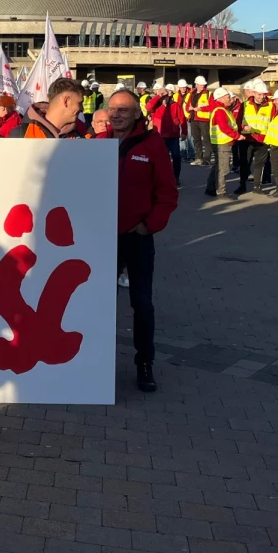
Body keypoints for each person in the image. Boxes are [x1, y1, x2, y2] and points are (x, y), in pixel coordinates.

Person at [96, 89, 178, 392]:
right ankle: (97, 362)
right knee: (101, 303)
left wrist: (150, 226)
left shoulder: (152, 145)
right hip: (105, 240)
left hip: (137, 238)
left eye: (124, 110)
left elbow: (168, 193)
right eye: (113, 109)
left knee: (142, 304)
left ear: (136, 115)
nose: (117, 114)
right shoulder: (99, 144)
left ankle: (145, 363)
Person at [10, 78, 89, 138]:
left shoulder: (79, 138)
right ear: (66, 101)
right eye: (80, 103)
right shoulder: (20, 134)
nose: (82, 109)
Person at [205, 87, 241, 199]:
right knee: (223, 168)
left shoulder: (222, 109)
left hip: (221, 142)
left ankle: (211, 187)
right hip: (222, 143)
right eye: (227, 97)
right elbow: (224, 127)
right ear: (220, 98)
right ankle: (221, 191)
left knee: (218, 166)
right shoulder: (220, 110)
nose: (230, 98)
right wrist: (237, 136)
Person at [147, 81, 184, 184]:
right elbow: (148, 107)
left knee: (176, 156)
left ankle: (176, 178)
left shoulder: (175, 105)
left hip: (173, 136)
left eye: (166, 95)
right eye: (162, 96)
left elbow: (182, 118)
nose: (164, 98)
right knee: (162, 158)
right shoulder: (156, 106)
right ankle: (161, 177)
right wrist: (158, 96)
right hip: (160, 136)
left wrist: (184, 132)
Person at [242, 81, 273, 194]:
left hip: (263, 139)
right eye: (259, 94)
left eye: (264, 94)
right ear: (254, 93)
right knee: (245, 162)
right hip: (248, 139)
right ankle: (242, 185)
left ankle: (256, 187)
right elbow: (239, 120)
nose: (262, 97)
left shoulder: (271, 105)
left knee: (260, 164)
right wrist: (244, 126)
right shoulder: (245, 105)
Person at [187, 76, 213, 167]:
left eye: (204, 85)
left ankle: (207, 160)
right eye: (201, 84)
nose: (203, 86)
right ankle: (198, 158)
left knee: (206, 140)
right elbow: (187, 105)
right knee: (196, 140)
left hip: (204, 120)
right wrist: (189, 109)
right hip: (193, 119)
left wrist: (201, 108)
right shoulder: (192, 94)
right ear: (197, 84)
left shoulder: (208, 94)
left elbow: (212, 106)